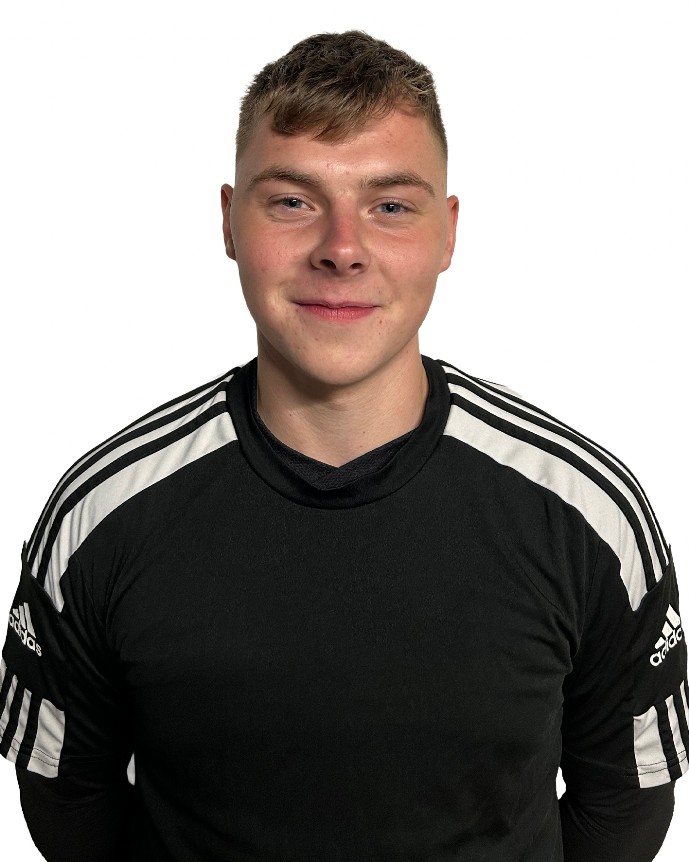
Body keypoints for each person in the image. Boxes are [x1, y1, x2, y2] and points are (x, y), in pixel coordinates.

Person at [0, 29, 686, 861]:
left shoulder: (587, 515)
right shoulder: (102, 516)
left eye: (390, 206)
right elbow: (69, 799)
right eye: (292, 201)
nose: (341, 249)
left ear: (447, 233)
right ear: (228, 221)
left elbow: (623, 802)